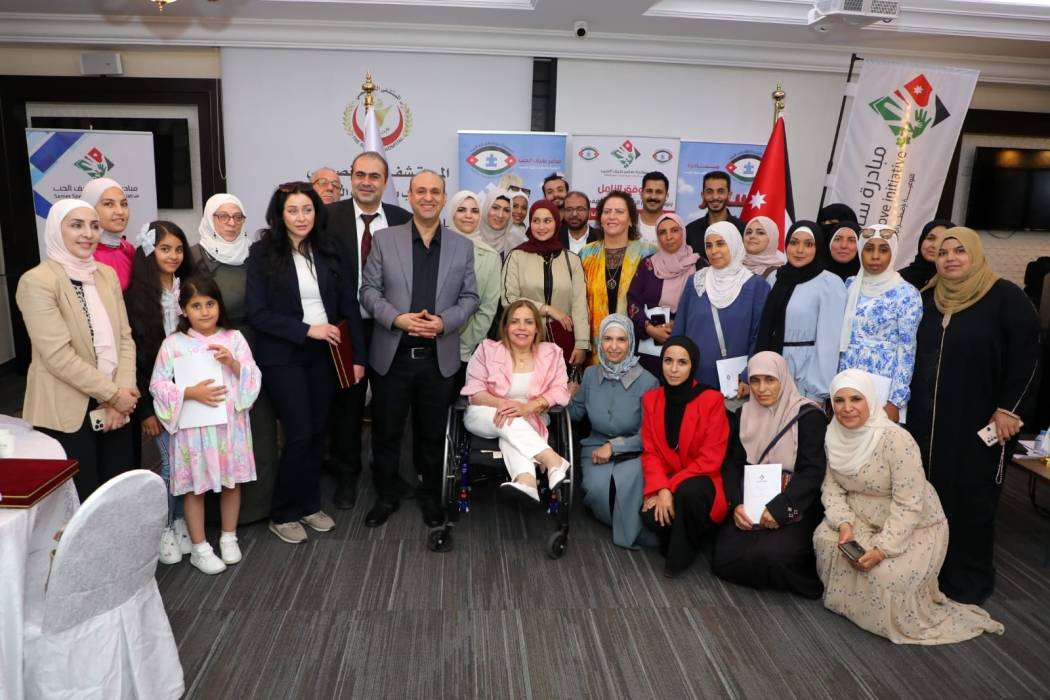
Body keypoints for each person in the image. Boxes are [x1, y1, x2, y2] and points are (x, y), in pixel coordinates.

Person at [813, 369, 1005, 644]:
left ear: (871, 400)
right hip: (859, 516)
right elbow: (832, 488)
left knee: (886, 574)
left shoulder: (896, 440)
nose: (847, 408)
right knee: (826, 539)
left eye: (856, 399)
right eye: (839, 401)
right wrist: (844, 524)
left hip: (911, 524)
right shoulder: (833, 435)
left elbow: (909, 504)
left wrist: (882, 549)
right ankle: (853, 608)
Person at [908, 227, 1040, 604]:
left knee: (971, 498)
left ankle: (967, 578)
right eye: (943, 252)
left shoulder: (1005, 298)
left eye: (959, 251)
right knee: (926, 493)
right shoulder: (928, 298)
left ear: (976, 254)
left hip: (982, 422)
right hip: (927, 422)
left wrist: (1010, 409)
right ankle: (927, 570)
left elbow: (1029, 357)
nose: (950, 258)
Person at [246, 181, 366, 544]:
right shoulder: (262, 253)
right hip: (284, 356)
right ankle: (283, 512)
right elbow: (257, 313)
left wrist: (358, 356)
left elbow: (349, 306)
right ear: (280, 215)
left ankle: (309, 504)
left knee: (317, 434)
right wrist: (307, 330)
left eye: (308, 209)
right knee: (298, 434)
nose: (301, 217)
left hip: (326, 355)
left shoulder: (329, 249)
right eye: (293, 210)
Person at [360, 169, 479, 528]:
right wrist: (397, 318)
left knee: (432, 434)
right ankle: (386, 495)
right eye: (421, 191)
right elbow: (368, 291)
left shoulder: (462, 246)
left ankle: (431, 496)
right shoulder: (384, 239)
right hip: (393, 356)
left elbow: (470, 297)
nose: (428, 197)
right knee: (386, 432)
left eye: (435, 192)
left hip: (437, 358)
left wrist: (444, 322)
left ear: (444, 198)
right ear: (409, 196)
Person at [17, 199, 138, 499]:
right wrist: (113, 394)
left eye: (94, 226)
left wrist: (122, 393)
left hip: (116, 408)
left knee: (119, 497)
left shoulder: (105, 274)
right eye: (76, 225)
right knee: (81, 503)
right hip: (67, 413)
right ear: (56, 230)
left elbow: (124, 337)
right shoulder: (37, 281)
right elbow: (58, 356)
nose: (88, 233)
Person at [150, 276, 262, 574]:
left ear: (219, 305)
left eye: (210, 304)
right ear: (184, 310)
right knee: (194, 488)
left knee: (232, 482)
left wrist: (233, 364)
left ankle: (228, 536)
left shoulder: (234, 339)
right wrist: (188, 392)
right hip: (193, 431)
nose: (204, 312)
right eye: (196, 306)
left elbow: (253, 376)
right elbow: (157, 385)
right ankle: (200, 548)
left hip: (229, 427)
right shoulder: (173, 344)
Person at [325, 151, 412, 509]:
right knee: (347, 406)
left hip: (390, 325)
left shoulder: (402, 220)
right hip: (346, 326)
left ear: (385, 181)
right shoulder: (328, 217)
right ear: (351, 177)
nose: (366, 181)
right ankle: (346, 475)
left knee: (389, 406)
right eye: (360, 174)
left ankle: (386, 474)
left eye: (374, 176)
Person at [191, 193, 279, 524]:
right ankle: (215, 516)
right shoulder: (193, 256)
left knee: (258, 428)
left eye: (237, 217)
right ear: (209, 219)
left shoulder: (255, 254)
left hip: (251, 348)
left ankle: (259, 507)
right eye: (222, 216)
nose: (230, 223)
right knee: (216, 432)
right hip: (208, 352)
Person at [711, 352, 826, 599]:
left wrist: (780, 509)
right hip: (751, 501)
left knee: (773, 555)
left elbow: (813, 471)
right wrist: (736, 504)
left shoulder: (808, 415)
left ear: (783, 379)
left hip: (794, 500)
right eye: (755, 380)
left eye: (770, 380)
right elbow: (732, 464)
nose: (761, 388)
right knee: (723, 558)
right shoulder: (744, 414)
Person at [124, 220, 195, 564]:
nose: (173, 255)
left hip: (191, 394)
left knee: (188, 462)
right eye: (165, 249)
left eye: (179, 249)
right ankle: (164, 527)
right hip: (157, 398)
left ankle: (180, 520)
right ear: (149, 251)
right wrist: (146, 410)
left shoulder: (190, 290)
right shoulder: (134, 298)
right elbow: (134, 359)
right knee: (170, 463)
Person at [461, 300, 571, 503]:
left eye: (528, 322)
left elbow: (560, 390)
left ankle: (526, 481)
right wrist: (502, 404)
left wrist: (527, 407)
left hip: (532, 414)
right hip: (485, 411)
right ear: (505, 327)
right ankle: (552, 460)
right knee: (509, 417)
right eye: (515, 321)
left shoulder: (552, 353)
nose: (522, 327)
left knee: (510, 429)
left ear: (537, 328)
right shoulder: (487, 350)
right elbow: (474, 390)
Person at [640, 337, 730, 577]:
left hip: (702, 479)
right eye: (668, 361)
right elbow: (650, 452)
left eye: (682, 362)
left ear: (693, 366)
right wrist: (661, 489)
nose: (673, 368)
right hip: (669, 479)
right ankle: (690, 534)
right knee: (650, 516)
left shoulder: (711, 400)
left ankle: (679, 558)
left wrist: (669, 488)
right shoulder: (651, 399)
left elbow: (711, 459)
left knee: (688, 494)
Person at [569, 314, 659, 548]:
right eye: (608, 339)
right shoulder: (591, 374)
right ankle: (627, 523)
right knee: (598, 492)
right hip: (595, 448)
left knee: (625, 487)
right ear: (600, 341)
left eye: (621, 339)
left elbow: (649, 435)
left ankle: (633, 532)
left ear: (631, 342)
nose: (614, 346)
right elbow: (575, 413)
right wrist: (560, 394)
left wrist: (614, 446)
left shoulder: (648, 382)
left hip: (634, 452)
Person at [672, 221, 769, 399]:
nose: (713, 251)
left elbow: (760, 338)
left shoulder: (756, 286)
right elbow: (679, 331)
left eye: (720, 243)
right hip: (693, 379)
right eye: (709, 245)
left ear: (733, 243)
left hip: (735, 384)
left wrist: (748, 376)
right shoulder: (696, 282)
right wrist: (676, 368)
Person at [838, 224, 922, 422]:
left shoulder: (906, 293)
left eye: (883, 250)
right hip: (846, 380)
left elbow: (907, 350)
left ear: (893, 253)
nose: (875, 256)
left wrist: (895, 401)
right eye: (869, 249)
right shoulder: (850, 285)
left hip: (883, 386)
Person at [756, 221, 846, 402]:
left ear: (818, 248)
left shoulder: (829, 283)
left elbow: (829, 340)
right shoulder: (776, 277)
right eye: (794, 242)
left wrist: (818, 389)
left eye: (808, 244)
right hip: (771, 368)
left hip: (805, 373)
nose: (799, 250)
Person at [502, 200, 589, 367]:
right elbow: (508, 299)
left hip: (563, 339)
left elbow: (580, 305)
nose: (541, 227)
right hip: (524, 338)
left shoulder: (572, 260)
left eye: (547, 221)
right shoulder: (516, 256)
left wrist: (581, 344)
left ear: (556, 223)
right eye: (536, 221)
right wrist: (548, 309)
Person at [580, 191, 657, 363]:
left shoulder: (648, 252)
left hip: (638, 347)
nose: (612, 216)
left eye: (619, 212)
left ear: (631, 220)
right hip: (595, 349)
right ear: (600, 219)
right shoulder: (586, 254)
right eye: (607, 212)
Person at [626, 213, 699, 376]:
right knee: (650, 386)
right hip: (650, 343)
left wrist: (678, 324)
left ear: (683, 232)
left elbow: (704, 307)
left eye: (674, 230)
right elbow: (632, 300)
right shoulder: (648, 264)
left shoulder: (699, 265)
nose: (669, 237)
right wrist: (649, 328)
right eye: (662, 232)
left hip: (686, 341)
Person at [447, 190, 501, 384]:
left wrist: (464, 344)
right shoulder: (437, 247)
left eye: (474, 210)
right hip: (431, 344)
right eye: (461, 209)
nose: (468, 215)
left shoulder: (491, 256)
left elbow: (488, 308)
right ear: (452, 213)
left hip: (466, 350)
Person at [82, 177, 135, 290]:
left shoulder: (128, 248)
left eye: (124, 204)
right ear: (90, 208)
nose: (120, 211)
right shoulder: (83, 253)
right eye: (109, 204)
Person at [684, 171, 744, 266]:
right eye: (709, 192)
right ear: (703, 195)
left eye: (721, 191)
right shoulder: (690, 231)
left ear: (729, 195)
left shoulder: (743, 229)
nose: (715, 197)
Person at [900, 219, 955, 290]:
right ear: (922, 240)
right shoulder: (898, 278)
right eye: (930, 238)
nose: (934, 245)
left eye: (942, 240)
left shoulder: (955, 281)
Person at [477, 188, 524, 260]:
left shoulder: (515, 242)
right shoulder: (472, 237)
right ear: (486, 208)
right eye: (495, 208)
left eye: (506, 210)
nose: (500, 215)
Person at [559, 190, 598, 255]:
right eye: (569, 210)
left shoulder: (601, 238)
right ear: (563, 212)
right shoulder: (555, 238)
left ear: (589, 212)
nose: (574, 214)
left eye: (580, 209)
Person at [637, 171, 669, 243]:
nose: (653, 197)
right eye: (649, 191)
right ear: (641, 194)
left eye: (659, 192)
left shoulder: (674, 229)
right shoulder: (628, 225)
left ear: (666, 196)